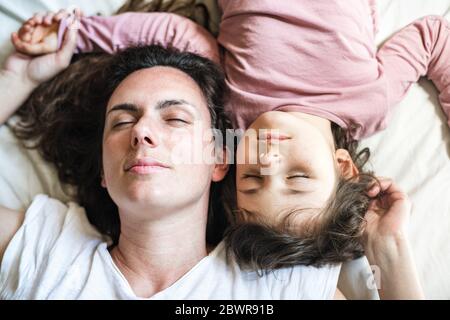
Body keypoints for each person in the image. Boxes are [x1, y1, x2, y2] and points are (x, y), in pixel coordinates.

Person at [9, 0, 429, 299]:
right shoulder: (45, 248)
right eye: (121, 121)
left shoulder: (276, 282)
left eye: (174, 118)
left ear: (220, 161)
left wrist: (32, 66)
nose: (142, 134)